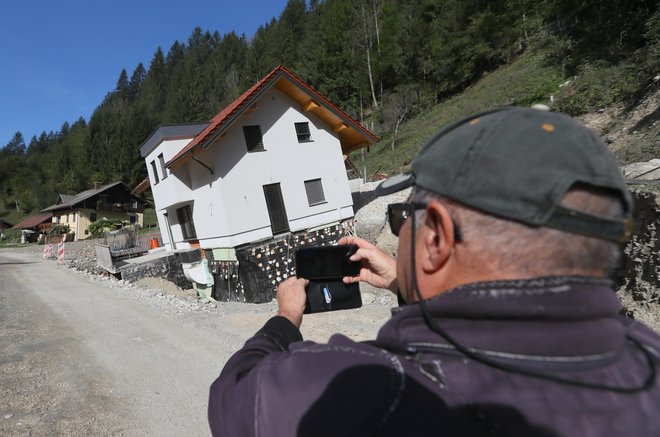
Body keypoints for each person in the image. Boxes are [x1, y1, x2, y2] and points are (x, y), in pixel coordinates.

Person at [208, 106, 660, 436]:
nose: (400, 230)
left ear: (438, 237)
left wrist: (284, 319)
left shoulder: (364, 392)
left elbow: (231, 399)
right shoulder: (648, 357)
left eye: (402, 218)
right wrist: (410, 282)